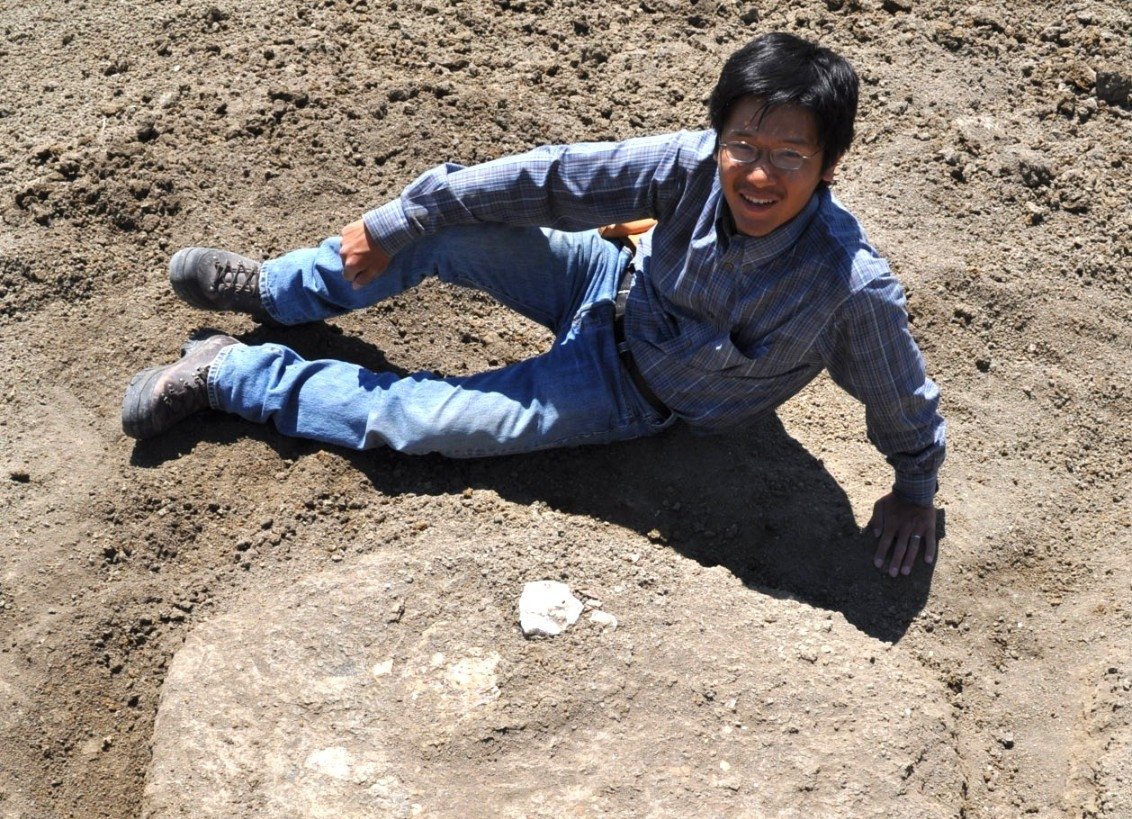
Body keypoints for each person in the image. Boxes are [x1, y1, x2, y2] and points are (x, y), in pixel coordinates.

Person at [122, 31, 945, 578]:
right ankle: (279, 289)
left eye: (790, 156)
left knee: (434, 424)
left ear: (830, 163)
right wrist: (398, 219)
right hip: (607, 279)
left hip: (635, 392)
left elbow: (900, 393)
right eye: (744, 147)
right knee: (440, 231)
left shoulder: (846, 285)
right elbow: (547, 178)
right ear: (719, 136)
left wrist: (914, 488)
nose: (758, 175)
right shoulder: (691, 165)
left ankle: (233, 374)